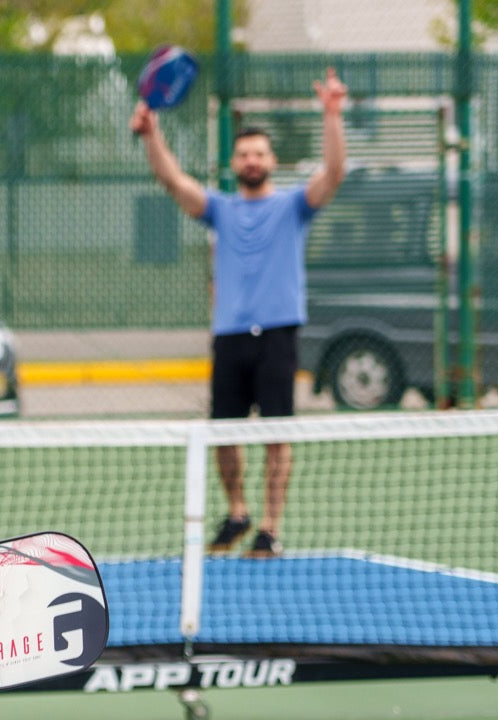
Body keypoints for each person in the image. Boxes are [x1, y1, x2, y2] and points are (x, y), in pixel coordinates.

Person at [130, 68, 349, 558]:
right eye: (244, 154)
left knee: (277, 435)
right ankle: (238, 512)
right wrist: (152, 133)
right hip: (230, 335)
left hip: (277, 333)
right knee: (223, 433)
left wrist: (332, 115)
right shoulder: (220, 208)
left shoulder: (295, 205)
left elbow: (333, 173)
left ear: (271, 161)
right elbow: (171, 179)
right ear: (234, 163)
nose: (252, 160)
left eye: (259, 153)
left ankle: (270, 527)